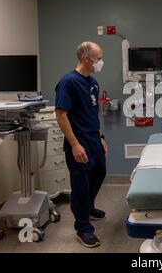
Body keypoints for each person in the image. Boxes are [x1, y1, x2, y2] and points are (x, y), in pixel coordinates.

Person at [55, 41, 108, 248]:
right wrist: (75, 144)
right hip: (79, 143)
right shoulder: (68, 82)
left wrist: (101, 138)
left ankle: (87, 207)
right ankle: (83, 227)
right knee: (81, 184)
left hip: (94, 140)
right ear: (87, 59)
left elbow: (92, 115)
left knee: (100, 172)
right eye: (99, 58)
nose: (101, 62)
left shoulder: (93, 83)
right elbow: (61, 115)